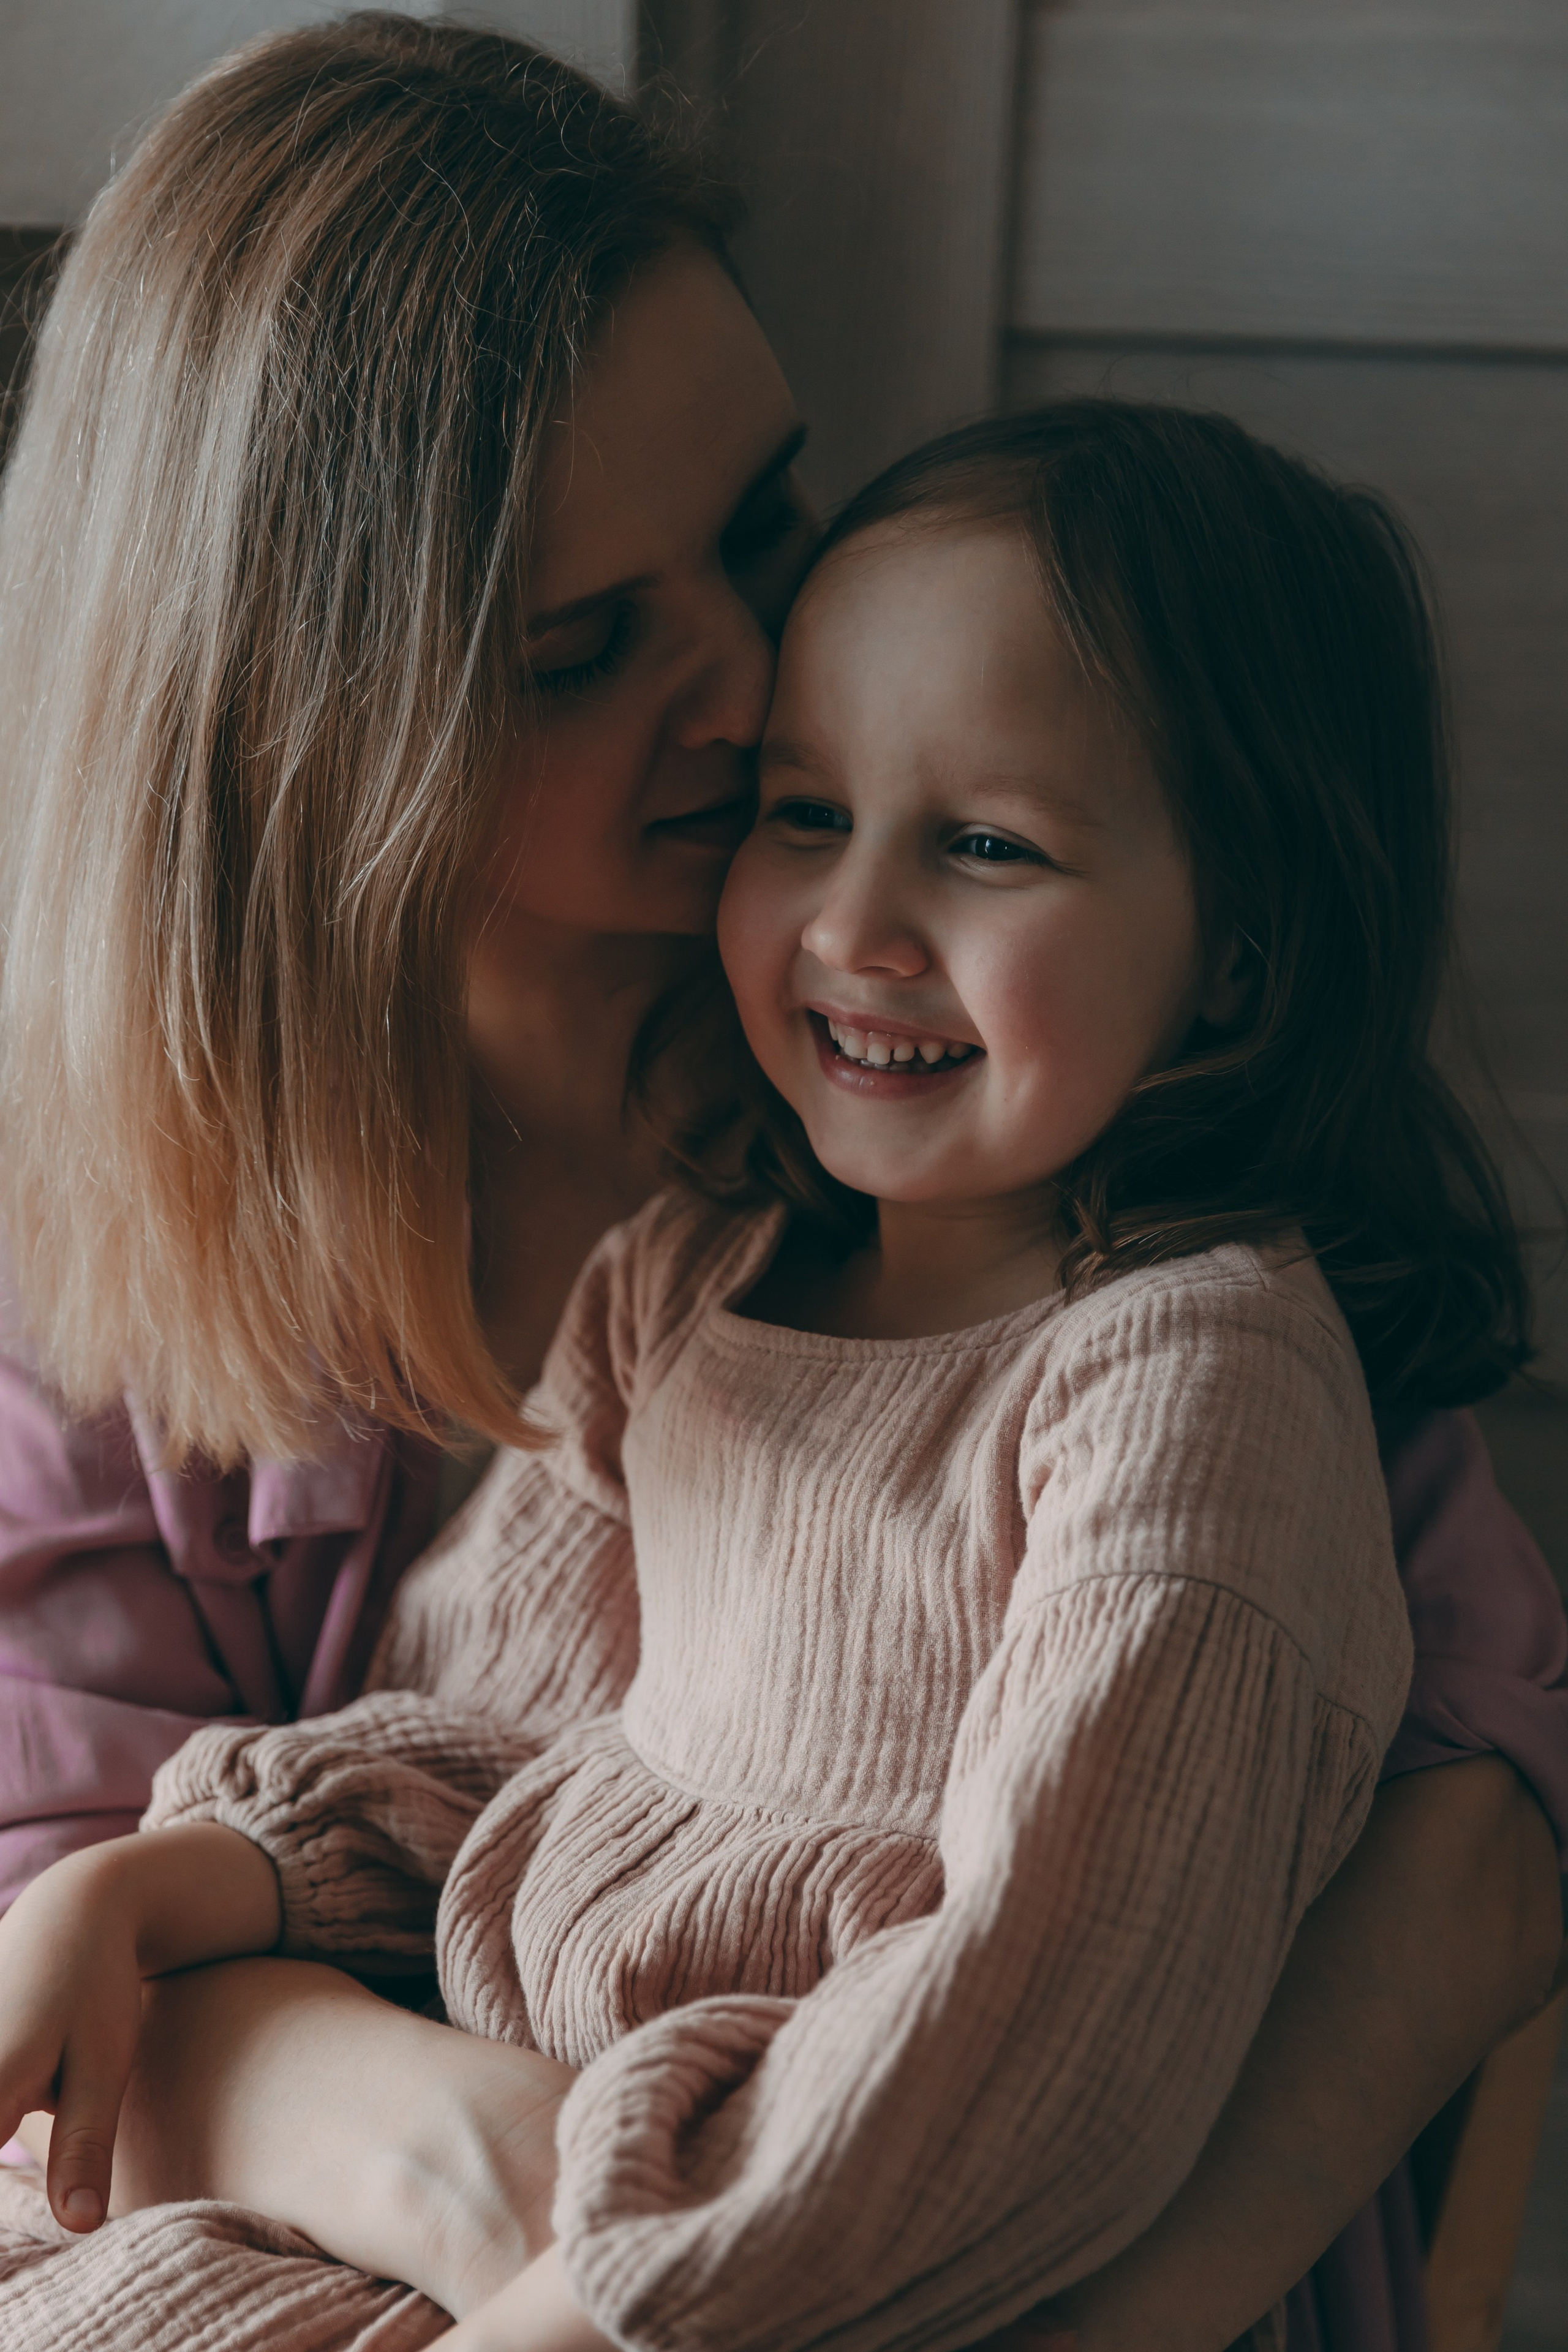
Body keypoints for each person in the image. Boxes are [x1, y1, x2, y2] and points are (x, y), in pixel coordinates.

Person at [0, 15, 1561, 2349]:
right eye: (582, 649)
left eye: (764, 522)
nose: (754, 683)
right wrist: (333, 2039)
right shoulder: (368, 1273)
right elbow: (150, 1951)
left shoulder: (1080, 1189)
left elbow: (1452, 1854)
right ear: (318, 739)